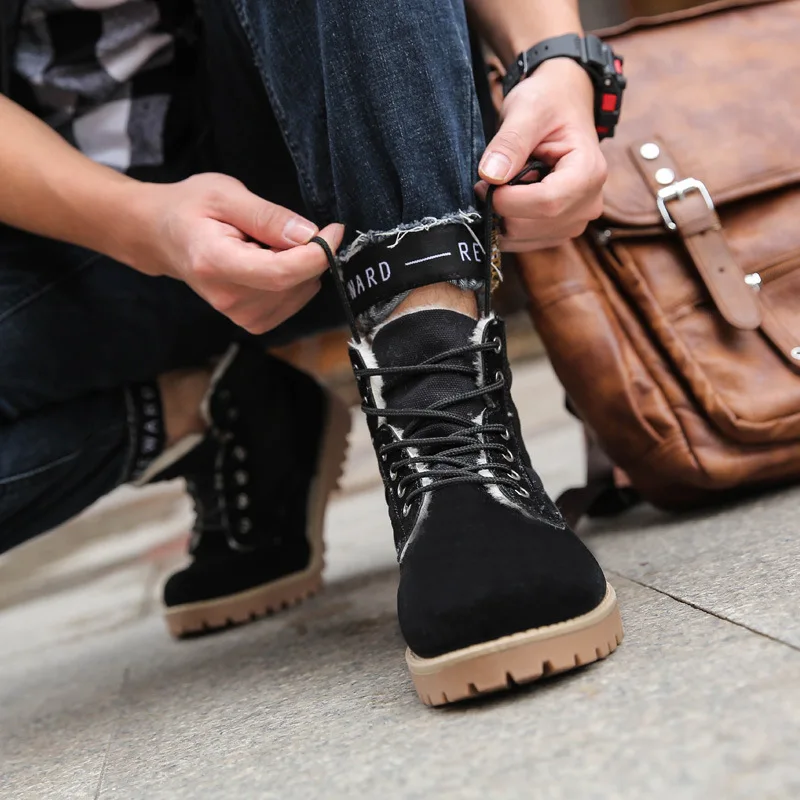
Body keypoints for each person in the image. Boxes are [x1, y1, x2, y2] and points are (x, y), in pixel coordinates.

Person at [0, 0, 622, 705]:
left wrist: (554, 58)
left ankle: (447, 428)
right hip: (76, 226)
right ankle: (218, 411)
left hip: (344, 126)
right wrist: (143, 225)